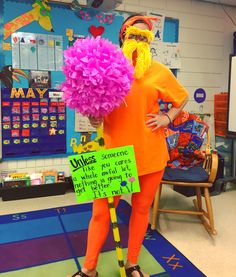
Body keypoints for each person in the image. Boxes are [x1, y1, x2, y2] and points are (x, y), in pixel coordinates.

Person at [70, 14, 189, 277]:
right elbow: (94, 113)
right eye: (133, 35)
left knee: (141, 210)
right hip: (113, 155)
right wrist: (94, 116)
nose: (138, 40)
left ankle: (133, 264)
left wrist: (167, 116)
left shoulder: (159, 71)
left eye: (144, 36)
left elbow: (182, 97)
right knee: (101, 213)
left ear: (150, 41)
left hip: (150, 155)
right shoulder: (104, 68)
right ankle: (89, 268)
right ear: (123, 36)